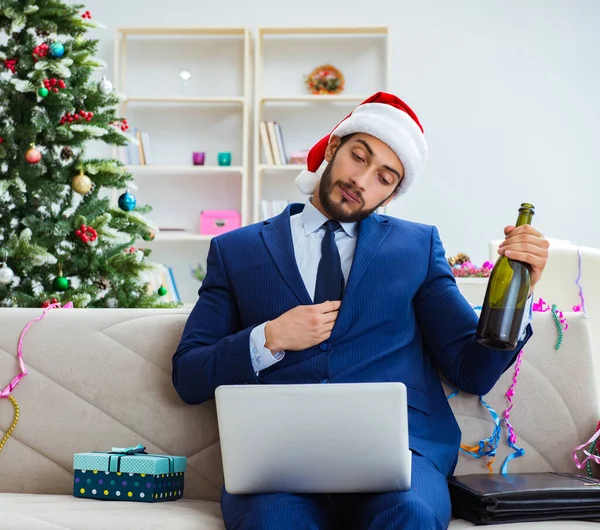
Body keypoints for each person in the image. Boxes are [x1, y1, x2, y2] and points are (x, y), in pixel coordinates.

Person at [171, 92, 549, 530]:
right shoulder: (236, 250)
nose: (363, 180)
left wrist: (519, 296)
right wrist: (268, 338)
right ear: (333, 148)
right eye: (358, 157)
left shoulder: (416, 247)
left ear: (390, 194)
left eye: (384, 177)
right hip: (279, 467)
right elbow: (189, 376)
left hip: (402, 457)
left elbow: (472, 370)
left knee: (411, 516)